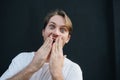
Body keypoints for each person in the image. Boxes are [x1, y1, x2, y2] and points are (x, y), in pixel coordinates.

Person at [0, 9, 83, 80]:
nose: (56, 32)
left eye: (62, 30)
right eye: (52, 26)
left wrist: (56, 73)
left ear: (68, 38)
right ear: (43, 32)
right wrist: (32, 67)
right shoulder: (21, 59)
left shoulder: (73, 69)